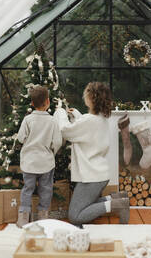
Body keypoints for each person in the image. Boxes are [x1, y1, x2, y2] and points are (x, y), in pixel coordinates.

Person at [54, 82, 129, 226]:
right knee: (87, 204)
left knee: (75, 216)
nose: (84, 95)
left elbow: (66, 130)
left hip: (91, 177)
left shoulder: (90, 120)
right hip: (97, 174)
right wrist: (76, 115)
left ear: (92, 98)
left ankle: (116, 205)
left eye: (86, 93)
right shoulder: (100, 118)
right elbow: (86, 128)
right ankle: (119, 199)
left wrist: (60, 113)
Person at [16, 85, 62, 227]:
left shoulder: (28, 120)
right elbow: (57, 141)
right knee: (46, 189)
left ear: (32, 103)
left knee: (27, 189)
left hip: (29, 162)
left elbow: (20, 138)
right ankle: (43, 216)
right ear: (48, 102)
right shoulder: (53, 121)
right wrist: (51, 151)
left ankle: (23, 217)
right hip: (46, 163)